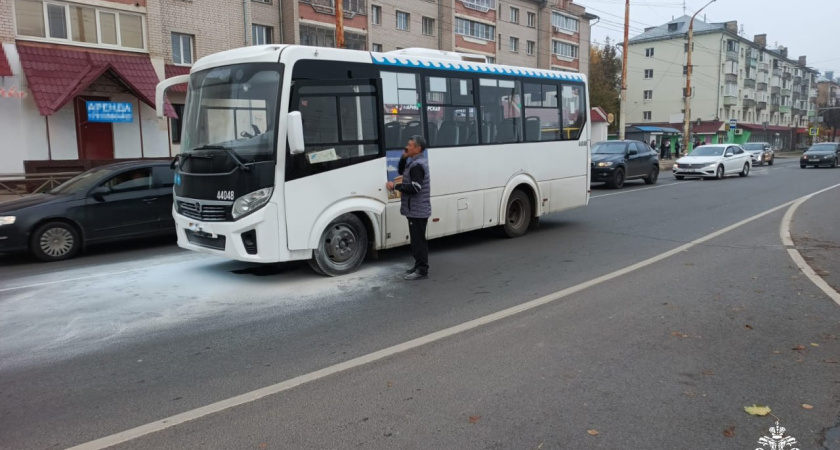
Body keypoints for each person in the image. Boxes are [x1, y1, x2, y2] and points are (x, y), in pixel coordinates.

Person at [386, 136, 431, 280]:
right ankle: (418, 265)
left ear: (417, 149)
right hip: (415, 209)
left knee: (418, 241)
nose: (407, 147)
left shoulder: (417, 166)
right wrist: (404, 157)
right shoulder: (414, 162)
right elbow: (401, 171)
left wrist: (396, 186)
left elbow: (415, 188)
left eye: (410, 145)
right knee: (416, 239)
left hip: (418, 209)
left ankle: (422, 269)